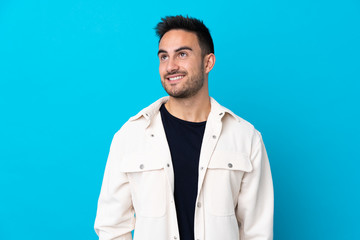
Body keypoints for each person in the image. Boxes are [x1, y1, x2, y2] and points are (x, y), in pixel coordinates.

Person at [94, 15, 274, 240]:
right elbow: (112, 227)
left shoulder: (245, 138)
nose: (170, 66)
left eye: (182, 54)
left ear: (208, 63)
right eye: (163, 56)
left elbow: (257, 231)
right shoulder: (130, 137)